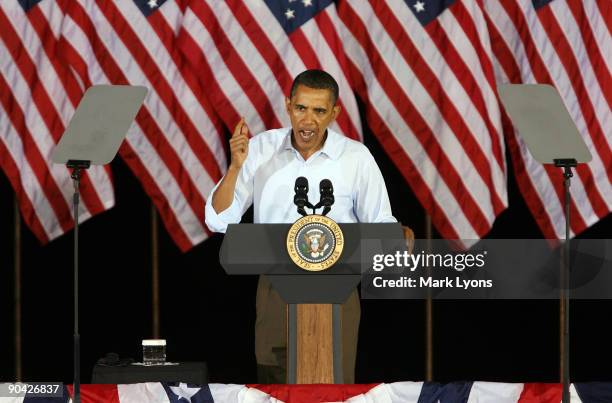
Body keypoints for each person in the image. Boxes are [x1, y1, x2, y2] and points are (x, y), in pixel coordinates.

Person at [205, 69, 396, 383]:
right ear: (288, 106)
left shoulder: (356, 157)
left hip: (338, 287)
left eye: (319, 111)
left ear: (334, 113)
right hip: (276, 286)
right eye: (301, 108)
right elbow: (218, 220)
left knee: (332, 387)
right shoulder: (261, 150)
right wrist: (236, 168)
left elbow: (381, 226)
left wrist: (394, 237)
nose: (308, 120)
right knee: (274, 385)